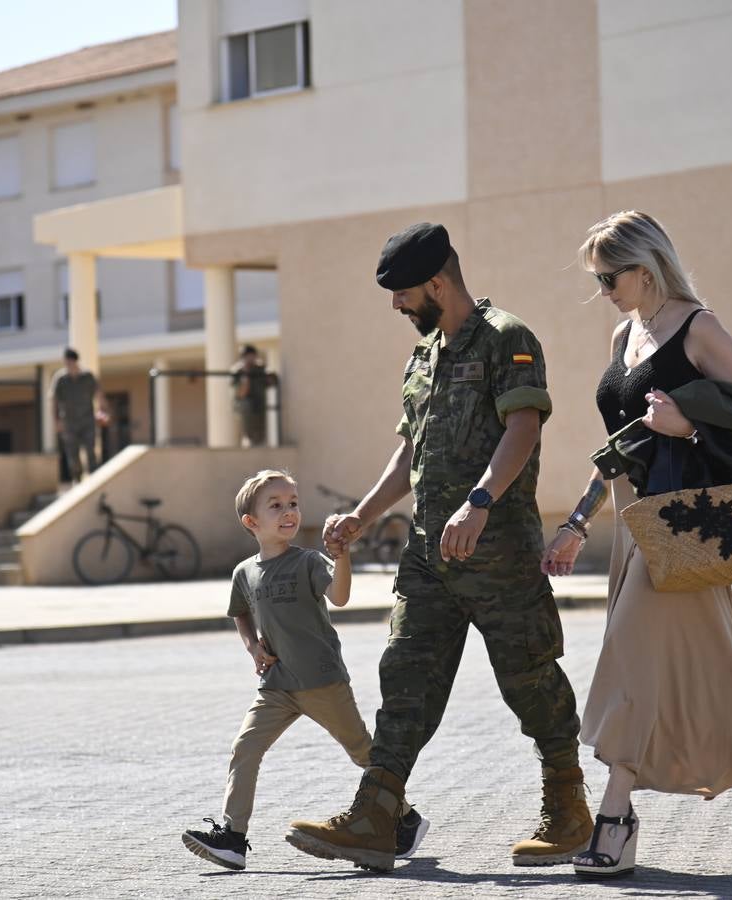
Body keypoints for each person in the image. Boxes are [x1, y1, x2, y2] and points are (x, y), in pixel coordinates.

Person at [284, 223, 592, 873]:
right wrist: (363, 516)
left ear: (436, 282)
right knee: (404, 676)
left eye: (401, 294)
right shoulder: (423, 356)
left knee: (529, 677)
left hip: (498, 550)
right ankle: (375, 814)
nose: (396, 306)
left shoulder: (507, 338)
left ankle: (568, 809)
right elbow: (409, 452)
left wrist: (480, 503)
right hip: (429, 553)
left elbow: (524, 425)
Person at [539, 211, 732, 879]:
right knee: (713, 669)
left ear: (646, 268)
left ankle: (615, 817)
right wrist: (578, 522)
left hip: (689, 526)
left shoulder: (702, 329)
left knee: (629, 657)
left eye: (610, 276)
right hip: (636, 525)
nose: (602, 288)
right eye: (597, 278)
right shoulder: (623, 332)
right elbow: (622, 448)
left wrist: (689, 426)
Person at [181, 469, 429, 872]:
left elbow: (341, 595)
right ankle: (232, 837)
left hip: (321, 681)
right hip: (276, 685)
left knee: (363, 752)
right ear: (252, 522)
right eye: (276, 506)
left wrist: (341, 558)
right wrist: (252, 648)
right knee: (245, 749)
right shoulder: (244, 573)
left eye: (293, 503)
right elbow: (240, 613)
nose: (289, 512)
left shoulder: (309, 562)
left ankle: (406, 817)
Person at [48, 348, 107, 484]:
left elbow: (99, 395)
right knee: (72, 454)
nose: (68, 365)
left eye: (70, 362)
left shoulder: (88, 377)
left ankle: (94, 480)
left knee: (91, 451)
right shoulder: (60, 379)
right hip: (69, 422)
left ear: (75, 361)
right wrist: (56, 421)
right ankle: (77, 480)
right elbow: (54, 401)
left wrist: (103, 412)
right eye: (66, 362)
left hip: (87, 421)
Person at [230, 344, 274, 447]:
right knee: (246, 407)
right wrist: (246, 374)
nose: (251, 358)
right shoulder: (238, 371)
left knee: (260, 436)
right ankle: (248, 440)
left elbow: (271, 382)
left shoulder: (260, 369)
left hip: (260, 406)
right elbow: (241, 393)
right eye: (248, 356)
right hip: (244, 408)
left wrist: (266, 370)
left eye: (252, 355)